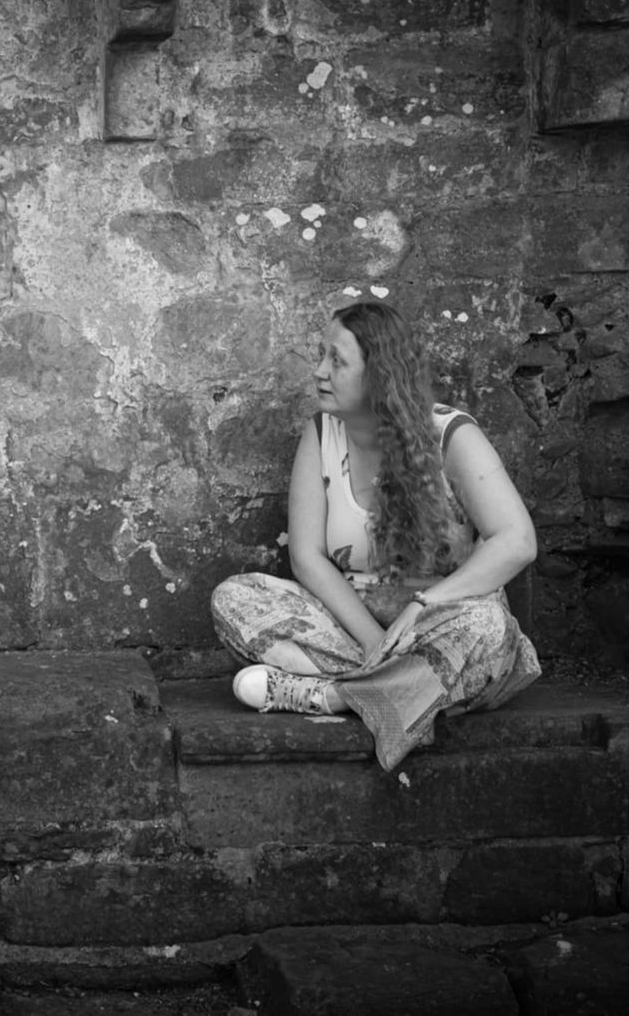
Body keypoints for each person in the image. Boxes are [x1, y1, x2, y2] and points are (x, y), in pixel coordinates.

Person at [211, 300, 540, 770]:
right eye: (321, 356)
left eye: (337, 361)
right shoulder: (322, 434)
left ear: (379, 374)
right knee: (235, 598)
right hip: (353, 627)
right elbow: (307, 557)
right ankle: (403, 692)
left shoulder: (451, 435)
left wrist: (423, 605)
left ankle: (332, 697)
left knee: (486, 629)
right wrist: (373, 643)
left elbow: (517, 541)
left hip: (442, 621)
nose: (320, 372)